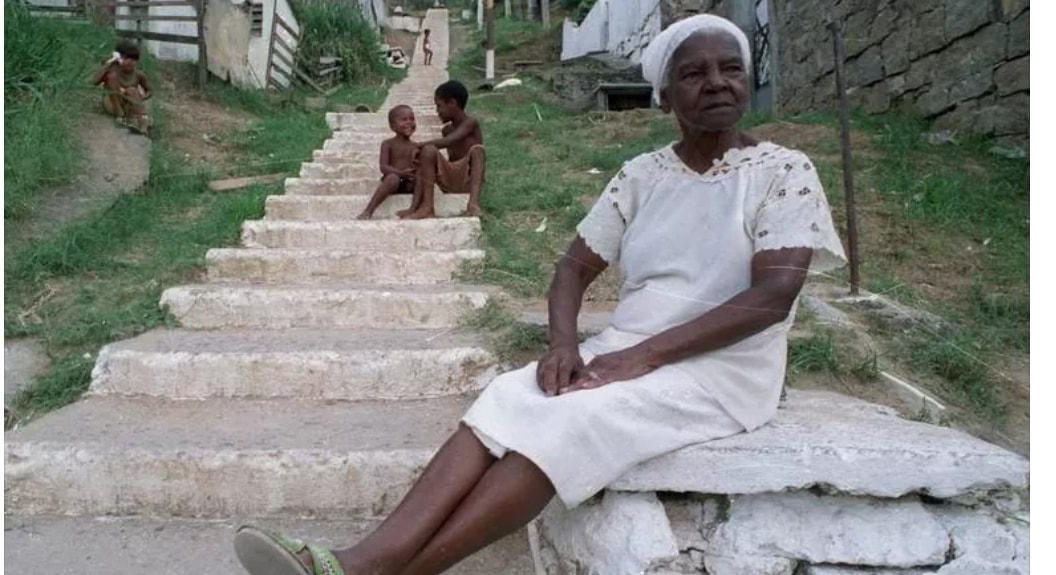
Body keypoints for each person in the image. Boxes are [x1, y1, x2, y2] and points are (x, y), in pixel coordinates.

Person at [233, 14, 847, 575]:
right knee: (512, 392)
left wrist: (642, 358)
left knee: (573, 417)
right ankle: (358, 561)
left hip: (724, 369)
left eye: (730, 69)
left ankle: (383, 573)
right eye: (694, 74)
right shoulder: (643, 175)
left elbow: (772, 297)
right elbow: (571, 270)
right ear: (665, 96)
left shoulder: (783, 171)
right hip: (630, 348)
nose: (716, 83)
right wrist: (562, 346)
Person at [398, 80, 485, 219]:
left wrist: (418, 145)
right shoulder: (446, 130)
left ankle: (473, 203)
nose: (437, 111)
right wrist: (423, 155)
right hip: (451, 179)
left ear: (452, 103)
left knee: (477, 150)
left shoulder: (470, 123)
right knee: (428, 151)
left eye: (439, 106)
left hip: (468, 180)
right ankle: (425, 207)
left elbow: (449, 141)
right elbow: (451, 159)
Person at [357, 105, 421, 220]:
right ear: (392, 126)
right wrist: (401, 173)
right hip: (393, 182)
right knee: (392, 178)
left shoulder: (416, 146)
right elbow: (384, 167)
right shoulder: (388, 144)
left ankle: (413, 209)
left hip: (409, 183)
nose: (409, 122)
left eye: (412, 119)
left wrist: (413, 173)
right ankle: (368, 211)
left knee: (421, 177)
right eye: (404, 119)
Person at [93, 41, 152, 136]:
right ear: (119, 58)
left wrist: (142, 97)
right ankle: (120, 116)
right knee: (112, 77)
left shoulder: (139, 74)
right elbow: (94, 82)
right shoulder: (112, 70)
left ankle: (143, 122)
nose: (130, 62)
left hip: (128, 105)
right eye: (127, 58)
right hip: (113, 104)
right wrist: (110, 62)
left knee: (131, 90)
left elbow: (149, 90)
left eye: (133, 59)